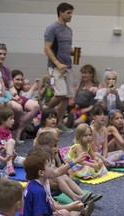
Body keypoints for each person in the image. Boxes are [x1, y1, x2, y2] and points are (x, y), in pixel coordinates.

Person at [23, 147, 95, 216]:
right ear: (41, 173)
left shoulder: (40, 180)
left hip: (47, 211)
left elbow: (57, 172)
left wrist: (75, 161)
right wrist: (69, 207)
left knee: (75, 208)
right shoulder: (38, 191)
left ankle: (81, 212)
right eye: (50, 165)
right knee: (65, 212)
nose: (53, 166)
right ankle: (82, 213)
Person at [44, 2, 76, 133]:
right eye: (68, 12)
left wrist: (74, 52)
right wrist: (57, 63)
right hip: (55, 67)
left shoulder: (69, 30)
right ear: (61, 12)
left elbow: (66, 48)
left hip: (67, 66)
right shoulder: (52, 28)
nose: (71, 15)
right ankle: (45, 113)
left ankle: (58, 123)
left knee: (66, 96)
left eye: (71, 13)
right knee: (60, 93)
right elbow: (46, 48)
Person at [10, 69, 40, 144]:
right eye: (17, 79)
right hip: (14, 114)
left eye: (21, 80)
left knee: (35, 107)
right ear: (11, 80)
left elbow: (26, 98)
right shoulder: (10, 90)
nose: (20, 82)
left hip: (26, 119)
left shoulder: (20, 92)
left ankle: (19, 130)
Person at [0, 107, 25, 176]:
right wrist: (4, 158)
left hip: (8, 158)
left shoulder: (8, 132)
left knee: (28, 162)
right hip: (0, 159)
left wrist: (13, 152)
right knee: (11, 141)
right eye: (11, 118)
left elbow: (10, 149)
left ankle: (9, 166)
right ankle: (9, 166)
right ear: (3, 120)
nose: (13, 121)